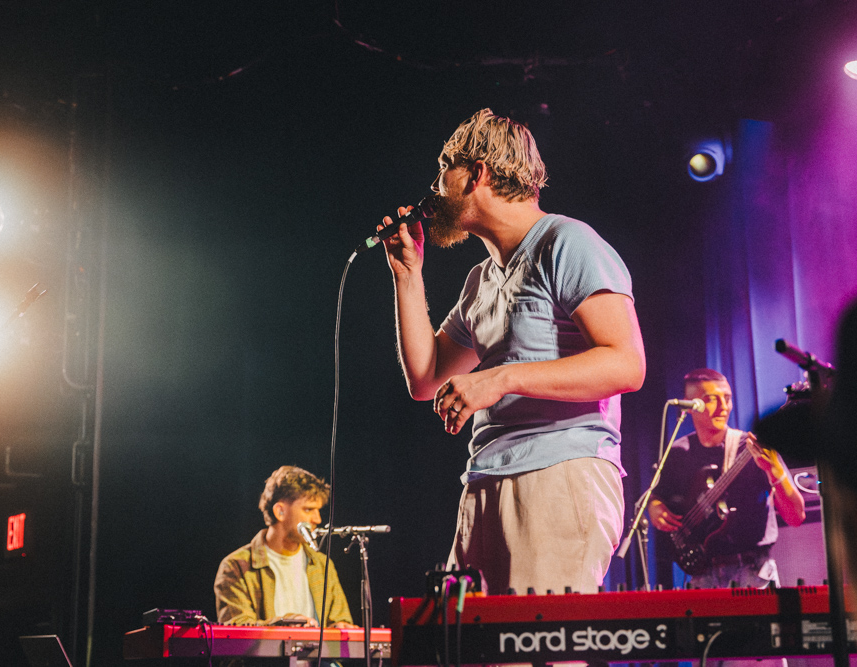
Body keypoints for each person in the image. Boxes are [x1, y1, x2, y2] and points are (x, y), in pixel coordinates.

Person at [381, 108, 645, 596]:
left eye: (443, 172)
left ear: (476, 173)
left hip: (560, 474)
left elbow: (625, 363)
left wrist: (501, 378)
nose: (434, 190)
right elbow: (425, 379)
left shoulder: (568, 242)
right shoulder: (479, 280)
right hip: (485, 480)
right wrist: (407, 276)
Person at [648, 369, 806, 588]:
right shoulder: (678, 452)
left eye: (727, 398)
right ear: (690, 406)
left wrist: (775, 471)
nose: (723, 407)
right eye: (711, 399)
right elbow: (657, 495)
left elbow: (796, 516)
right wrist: (655, 507)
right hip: (702, 577)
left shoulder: (752, 447)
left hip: (754, 573)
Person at [214, 465, 356, 627]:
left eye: (318, 510)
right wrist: (283, 624)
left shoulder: (323, 565)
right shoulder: (236, 565)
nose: (317, 519)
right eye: (308, 509)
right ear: (280, 511)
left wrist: (340, 628)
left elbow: (340, 621)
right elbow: (237, 627)